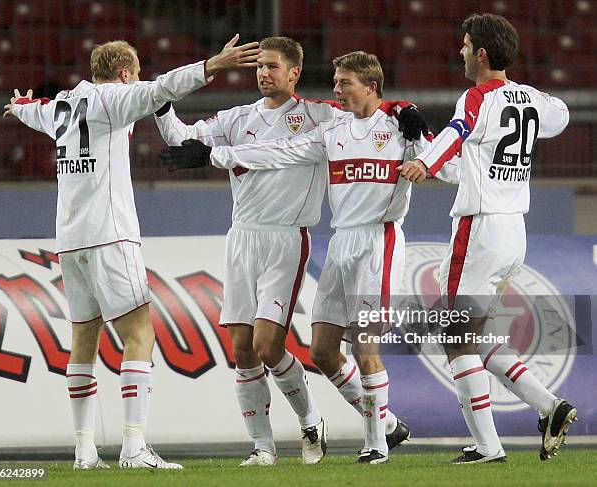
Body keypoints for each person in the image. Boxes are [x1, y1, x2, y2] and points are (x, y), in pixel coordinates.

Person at [157, 37, 426, 466]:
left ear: (294, 71)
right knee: (247, 349)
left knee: (269, 346)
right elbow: (179, 137)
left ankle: (326, 425)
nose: (263, 73)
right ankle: (267, 447)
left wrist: (403, 107)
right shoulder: (237, 117)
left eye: (271, 66)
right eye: (258, 66)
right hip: (242, 235)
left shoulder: (321, 115)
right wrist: (160, 97)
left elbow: (370, 110)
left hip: (289, 237)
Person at [3, 35, 260, 470]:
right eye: (135, 72)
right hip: (110, 235)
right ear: (124, 74)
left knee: (84, 339)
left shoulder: (63, 105)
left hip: (70, 241)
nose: (138, 80)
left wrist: (21, 106)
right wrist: (213, 63)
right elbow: (163, 89)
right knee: (141, 333)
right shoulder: (113, 99)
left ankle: (84, 451)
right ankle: (134, 447)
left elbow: (32, 112)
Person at [397, 13, 577, 464]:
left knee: (454, 334)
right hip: (514, 229)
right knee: (473, 333)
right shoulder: (531, 99)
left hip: (478, 228)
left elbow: (459, 133)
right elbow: (561, 114)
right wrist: (428, 145)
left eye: (463, 46)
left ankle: (487, 445)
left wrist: (426, 163)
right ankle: (549, 406)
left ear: (480, 53)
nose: (459, 52)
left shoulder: (476, 98)